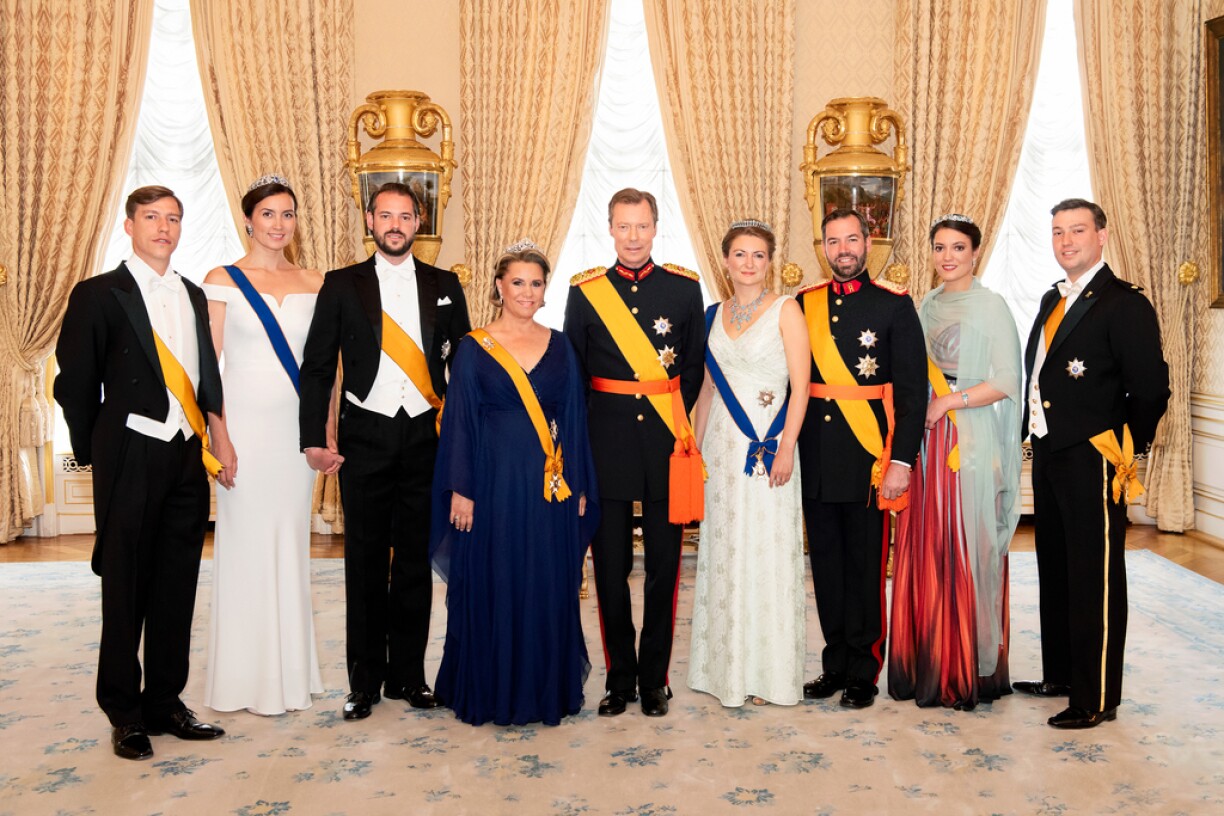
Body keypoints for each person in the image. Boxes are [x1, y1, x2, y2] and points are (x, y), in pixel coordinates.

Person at [54, 186, 226, 760]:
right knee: (125, 586)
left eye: (173, 218)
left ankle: (165, 702)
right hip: (127, 455)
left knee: (177, 583)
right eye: (151, 217)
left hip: (184, 455)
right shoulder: (99, 294)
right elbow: (74, 384)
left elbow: (206, 379)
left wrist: (213, 434)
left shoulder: (195, 294)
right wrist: (96, 452)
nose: (163, 227)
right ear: (129, 225)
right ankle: (124, 713)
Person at [298, 181, 471, 720]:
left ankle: (409, 677)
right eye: (385, 215)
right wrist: (312, 437)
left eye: (405, 216)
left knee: (416, 564)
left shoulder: (446, 284)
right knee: (365, 563)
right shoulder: (341, 285)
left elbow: (462, 371)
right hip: (364, 440)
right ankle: (364, 681)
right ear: (369, 221)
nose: (395, 225)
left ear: (418, 222)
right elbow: (319, 365)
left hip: (426, 439)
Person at [429, 241, 599, 726]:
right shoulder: (472, 346)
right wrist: (462, 489)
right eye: (518, 282)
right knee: (497, 576)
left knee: (546, 580)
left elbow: (575, 417)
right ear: (499, 287)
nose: (527, 291)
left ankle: (542, 688)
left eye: (536, 283)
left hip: (550, 486)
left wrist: (581, 482)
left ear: (546, 291)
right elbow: (459, 420)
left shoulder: (562, 345)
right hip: (492, 481)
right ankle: (493, 688)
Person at [1014, 199, 1169, 729]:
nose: (1066, 241)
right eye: (1057, 232)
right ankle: (1061, 674)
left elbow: (1151, 389)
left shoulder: (1124, 304)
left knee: (1095, 577)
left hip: (1094, 456)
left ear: (1102, 235)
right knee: (1055, 569)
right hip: (1051, 452)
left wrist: (1124, 446)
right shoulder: (1051, 299)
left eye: (1077, 230)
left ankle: (1097, 695)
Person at [564, 188, 705, 717]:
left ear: (656, 226)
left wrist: (675, 420)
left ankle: (655, 680)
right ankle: (619, 679)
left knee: (666, 568)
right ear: (609, 228)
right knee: (611, 568)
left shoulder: (683, 288)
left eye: (641, 226)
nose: (633, 238)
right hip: (607, 446)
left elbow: (692, 367)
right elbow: (575, 376)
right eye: (623, 227)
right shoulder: (586, 292)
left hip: (667, 446)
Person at [201, 175, 326, 715]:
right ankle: (240, 680)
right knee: (245, 547)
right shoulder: (220, 280)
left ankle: (291, 676)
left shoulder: (317, 282)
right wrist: (219, 437)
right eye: (269, 214)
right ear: (248, 219)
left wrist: (325, 432)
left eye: (288, 214)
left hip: (295, 439)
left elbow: (325, 368)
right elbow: (209, 368)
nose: (279, 224)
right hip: (244, 431)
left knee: (289, 545)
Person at [888, 214, 1022, 710]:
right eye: (940, 247)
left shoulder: (992, 307)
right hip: (925, 439)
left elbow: (1007, 379)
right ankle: (928, 660)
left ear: (975, 254)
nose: (948, 256)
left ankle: (963, 665)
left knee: (967, 546)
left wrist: (951, 402)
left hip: (970, 438)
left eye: (958, 248)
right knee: (928, 548)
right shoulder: (924, 304)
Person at [797, 208, 927, 709]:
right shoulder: (803, 303)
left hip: (870, 458)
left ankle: (864, 669)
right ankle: (834, 663)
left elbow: (913, 393)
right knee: (825, 566)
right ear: (822, 247)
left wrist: (901, 461)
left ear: (867, 243)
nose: (843, 249)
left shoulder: (894, 305)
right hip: (816, 457)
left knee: (866, 567)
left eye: (852, 239)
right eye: (834, 241)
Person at [688, 220, 810, 706]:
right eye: (740, 254)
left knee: (765, 553)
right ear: (724, 260)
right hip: (720, 447)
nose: (749, 263)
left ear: (770, 261)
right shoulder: (713, 313)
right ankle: (723, 669)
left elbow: (801, 387)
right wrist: (693, 452)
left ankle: (765, 675)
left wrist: (785, 447)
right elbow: (705, 388)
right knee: (723, 550)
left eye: (759, 255)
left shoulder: (787, 309)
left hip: (768, 446)